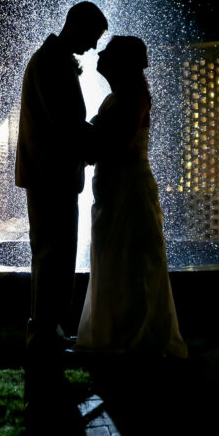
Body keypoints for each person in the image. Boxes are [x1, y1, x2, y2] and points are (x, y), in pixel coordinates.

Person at [75, 36, 187, 358]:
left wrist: (84, 136)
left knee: (131, 261)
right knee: (112, 257)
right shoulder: (118, 97)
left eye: (108, 51)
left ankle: (133, 336)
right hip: (112, 191)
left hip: (129, 193)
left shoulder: (134, 98)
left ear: (122, 62)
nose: (100, 53)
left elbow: (116, 146)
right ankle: (112, 332)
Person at [16, 1, 108, 353]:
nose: (93, 47)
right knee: (53, 253)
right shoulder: (51, 62)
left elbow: (64, 123)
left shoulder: (51, 58)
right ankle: (43, 331)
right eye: (93, 37)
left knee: (52, 253)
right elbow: (64, 125)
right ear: (77, 26)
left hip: (48, 174)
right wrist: (98, 142)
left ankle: (46, 328)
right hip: (50, 175)